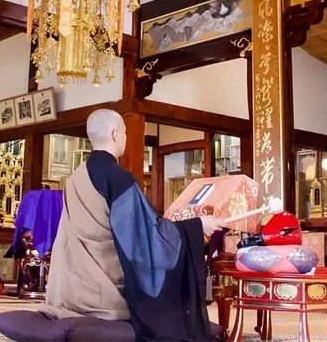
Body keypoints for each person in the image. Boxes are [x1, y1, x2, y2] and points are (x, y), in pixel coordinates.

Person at [41, 109, 225, 341]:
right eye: (125, 133)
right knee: (165, 307)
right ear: (115, 134)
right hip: (101, 294)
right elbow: (146, 238)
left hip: (67, 289)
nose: (126, 138)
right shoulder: (118, 178)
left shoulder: (75, 176)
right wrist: (198, 226)